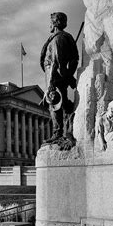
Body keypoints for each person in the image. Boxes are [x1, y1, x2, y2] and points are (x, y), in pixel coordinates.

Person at [40, 12, 79, 144]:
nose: (49, 25)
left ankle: (58, 133)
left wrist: (51, 82)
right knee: (63, 103)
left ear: (55, 23)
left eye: (50, 22)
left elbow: (55, 62)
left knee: (54, 104)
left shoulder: (57, 39)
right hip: (61, 76)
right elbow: (75, 59)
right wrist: (69, 74)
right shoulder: (66, 37)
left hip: (55, 77)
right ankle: (70, 126)